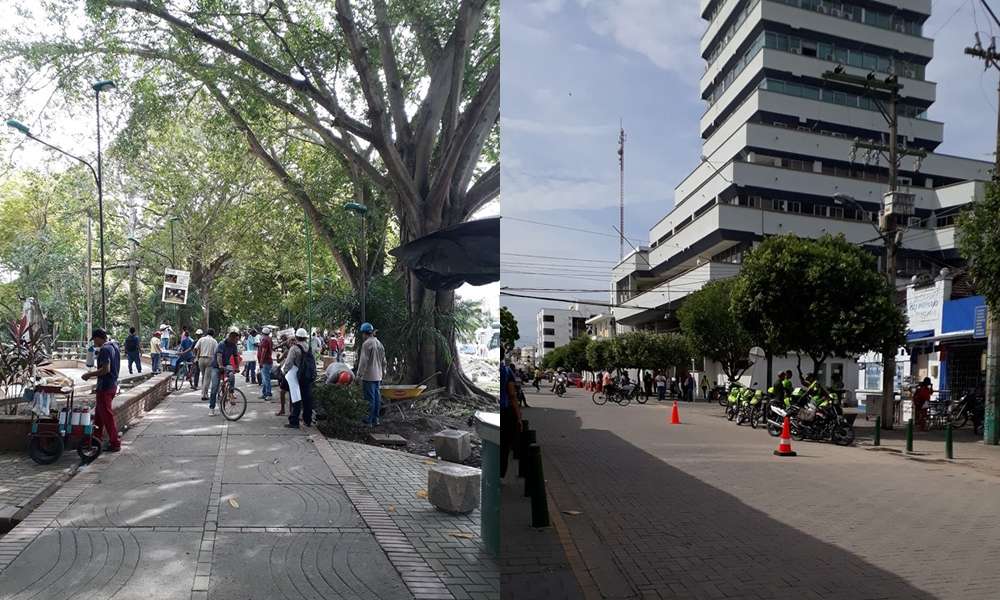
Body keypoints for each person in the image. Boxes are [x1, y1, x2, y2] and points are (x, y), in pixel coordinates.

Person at [81, 328, 121, 452]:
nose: (94, 343)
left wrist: (89, 375)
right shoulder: (114, 346)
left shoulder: (104, 349)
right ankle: (96, 439)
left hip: (105, 387)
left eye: (94, 340)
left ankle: (115, 443)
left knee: (107, 416)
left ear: (99, 338)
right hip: (112, 385)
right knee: (99, 415)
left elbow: (105, 369)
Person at [283, 328, 316, 429]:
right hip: (307, 376)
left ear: (296, 337)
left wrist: (284, 371)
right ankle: (307, 420)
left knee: (296, 398)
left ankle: (294, 421)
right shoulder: (309, 348)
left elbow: (288, 364)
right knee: (307, 399)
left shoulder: (294, 348)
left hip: (297, 376)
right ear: (305, 337)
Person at [356, 322, 387, 427]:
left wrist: (359, 375)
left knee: (369, 399)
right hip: (378, 375)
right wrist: (383, 372)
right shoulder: (379, 343)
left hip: (368, 376)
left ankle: (368, 420)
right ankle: (375, 419)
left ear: (364, 333)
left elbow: (363, 362)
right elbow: (384, 361)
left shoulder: (366, 344)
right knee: (376, 397)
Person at [499, 347, 523, 480]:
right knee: (504, 445)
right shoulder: (507, 371)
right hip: (506, 412)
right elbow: (513, 395)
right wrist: (518, 417)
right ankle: (500, 475)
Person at [209, 328, 241, 417]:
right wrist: (220, 365)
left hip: (226, 364)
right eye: (235, 339)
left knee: (231, 375)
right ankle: (212, 408)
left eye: (237, 339)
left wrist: (237, 367)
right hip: (216, 366)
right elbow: (219, 356)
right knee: (214, 387)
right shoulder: (222, 344)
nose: (236, 340)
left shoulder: (234, 346)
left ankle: (231, 392)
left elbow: (235, 357)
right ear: (231, 337)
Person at [194, 329, 218, 398]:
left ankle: (203, 392)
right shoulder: (214, 341)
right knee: (207, 378)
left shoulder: (201, 339)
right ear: (213, 334)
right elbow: (216, 352)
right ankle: (204, 394)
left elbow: (195, 348)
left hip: (201, 359)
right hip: (210, 359)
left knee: (204, 376)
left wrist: (196, 356)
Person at [275, 334, 291, 416]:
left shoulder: (287, 351)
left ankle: (283, 409)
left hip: (288, 373)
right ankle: (291, 411)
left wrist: (277, 356)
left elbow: (278, 361)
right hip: (293, 374)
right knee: (292, 394)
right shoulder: (298, 349)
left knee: (283, 392)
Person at [257, 327, 274, 400]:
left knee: (266, 379)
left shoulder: (265, 340)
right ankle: (264, 393)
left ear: (262, 333)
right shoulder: (269, 339)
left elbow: (264, 351)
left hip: (265, 362)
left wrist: (261, 362)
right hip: (267, 361)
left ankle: (269, 394)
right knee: (264, 379)